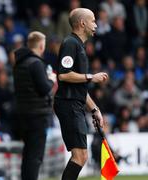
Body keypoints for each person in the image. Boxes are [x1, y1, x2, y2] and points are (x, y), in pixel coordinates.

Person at [53, 8, 109, 180]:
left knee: (81, 157)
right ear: (82, 23)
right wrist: (91, 77)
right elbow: (63, 74)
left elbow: (79, 87)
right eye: (92, 21)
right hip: (68, 104)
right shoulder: (70, 43)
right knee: (80, 156)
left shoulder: (79, 46)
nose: (96, 25)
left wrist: (94, 109)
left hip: (75, 103)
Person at [12, 31, 56, 180]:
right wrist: (51, 79)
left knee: (28, 154)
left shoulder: (19, 64)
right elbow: (44, 88)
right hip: (37, 115)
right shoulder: (36, 63)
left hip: (23, 114)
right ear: (42, 46)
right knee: (35, 156)